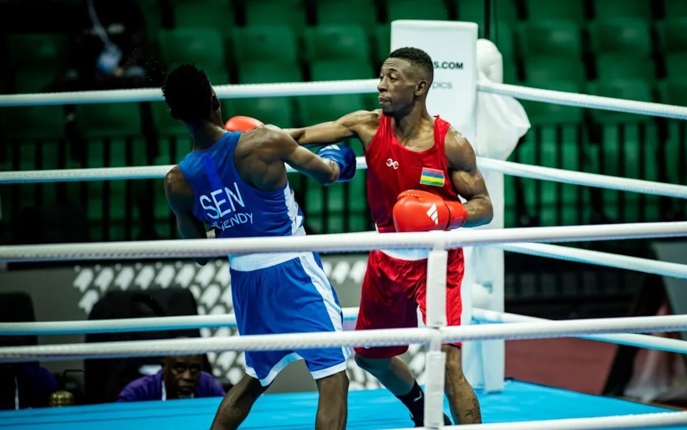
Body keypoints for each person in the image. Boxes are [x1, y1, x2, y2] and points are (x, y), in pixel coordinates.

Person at [284, 46, 492, 426]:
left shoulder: (450, 143)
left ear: (419, 87)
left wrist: (445, 212)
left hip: (438, 259)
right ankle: (421, 410)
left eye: (392, 78)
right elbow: (295, 137)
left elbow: (484, 206)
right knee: (370, 357)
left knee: (448, 364)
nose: (381, 85)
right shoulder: (366, 125)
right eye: (381, 76)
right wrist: (250, 141)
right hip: (388, 257)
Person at [161, 64, 356, 430]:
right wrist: (340, 156)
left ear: (174, 113)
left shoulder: (176, 181)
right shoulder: (264, 142)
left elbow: (198, 254)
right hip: (293, 271)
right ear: (215, 99)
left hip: (246, 281)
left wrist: (228, 227)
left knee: (255, 378)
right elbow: (327, 174)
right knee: (333, 377)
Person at [117, 353, 225, 402]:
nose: (187, 377)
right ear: (164, 366)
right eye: (179, 368)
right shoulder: (137, 393)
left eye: (194, 369)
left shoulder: (210, 387)